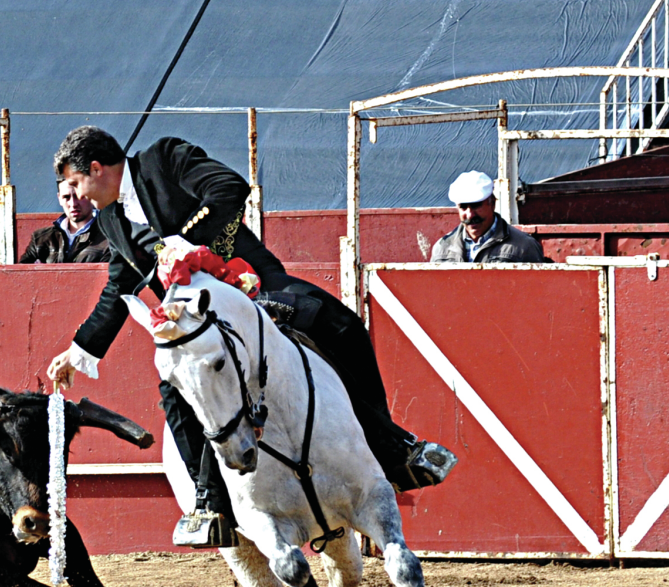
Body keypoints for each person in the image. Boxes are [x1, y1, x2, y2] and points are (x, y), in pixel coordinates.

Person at [43, 126, 456, 549]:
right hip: (194, 315)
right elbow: (119, 287)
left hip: (250, 284)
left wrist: (185, 243)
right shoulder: (111, 220)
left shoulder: (162, 159)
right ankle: (210, 504)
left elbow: (229, 186)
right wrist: (78, 351)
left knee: (340, 325)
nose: (78, 197)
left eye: (76, 184)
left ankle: (390, 448)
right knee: (174, 388)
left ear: (96, 169)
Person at [429, 170, 547, 263]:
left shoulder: (524, 246)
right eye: (463, 207)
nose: (470, 215)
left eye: (476, 206)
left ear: (493, 204)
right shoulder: (442, 248)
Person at [19, 179, 112, 264]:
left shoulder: (109, 239)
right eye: (66, 197)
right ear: (59, 198)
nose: (73, 204)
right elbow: (21, 277)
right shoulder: (40, 239)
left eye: (79, 196)